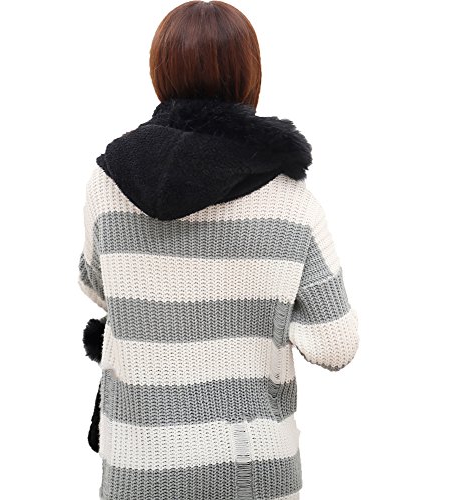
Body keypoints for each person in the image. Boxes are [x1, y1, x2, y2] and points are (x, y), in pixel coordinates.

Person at [77, 1, 360, 499]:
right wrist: (260, 307)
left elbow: (97, 285)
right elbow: (334, 346)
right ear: (249, 74)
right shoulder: (291, 201)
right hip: (251, 468)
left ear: (160, 72)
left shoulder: (108, 183)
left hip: (137, 468)